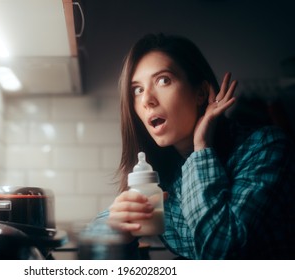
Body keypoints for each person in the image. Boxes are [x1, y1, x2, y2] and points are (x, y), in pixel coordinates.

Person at [90, 33, 295, 259]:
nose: (147, 99)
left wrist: (201, 148)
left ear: (200, 93)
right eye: (137, 90)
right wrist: (117, 233)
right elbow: (96, 235)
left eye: (163, 80)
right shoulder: (162, 178)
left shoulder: (267, 148)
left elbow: (220, 252)